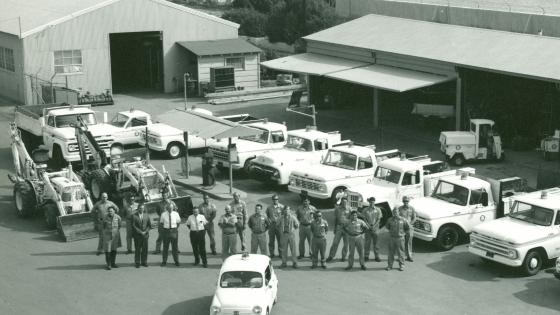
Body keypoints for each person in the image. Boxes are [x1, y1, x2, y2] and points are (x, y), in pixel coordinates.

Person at [326, 195, 351, 262]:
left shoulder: (350, 209)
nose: (344, 203)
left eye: (345, 202)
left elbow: (352, 219)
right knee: (335, 243)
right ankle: (331, 256)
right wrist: (335, 228)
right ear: (341, 202)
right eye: (343, 202)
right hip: (339, 227)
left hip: (347, 229)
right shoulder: (337, 209)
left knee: (346, 244)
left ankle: (344, 257)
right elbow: (336, 219)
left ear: (347, 202)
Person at [159, 199, 182, 267]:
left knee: (174, 247)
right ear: (167, 208)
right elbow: (161, 223)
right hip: (166, 231)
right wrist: (165, 230)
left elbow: (178, 222)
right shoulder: (163, 214)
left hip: (174, 231)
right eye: (169, 208)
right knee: (165, 247)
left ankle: (176, 261)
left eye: (171, 208)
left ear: (173, 208)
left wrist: (174, 229)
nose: (170, 209)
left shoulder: (176, 214)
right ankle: (164, 261)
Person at [360, 197, 383, 262]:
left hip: (375, 229)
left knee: (376, 243)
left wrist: (374, 226)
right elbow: (364, 219)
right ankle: (366, 256)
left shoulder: (378, 209)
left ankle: (377, 256)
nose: (371, 203)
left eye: (373, 202)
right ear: (369, 202)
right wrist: (368, 226)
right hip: (368, 229)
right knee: (367, 243)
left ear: (374, 202)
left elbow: (379, 219)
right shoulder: (365, 210)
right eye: (370, 202)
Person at [397, 196, 417, 262]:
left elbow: (414, 218)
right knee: (401, 242)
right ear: (403, 201)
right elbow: (397, 217)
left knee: (409, 242)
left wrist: (410, 224)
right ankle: (401, 256)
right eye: (405, 201)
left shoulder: (412, 208)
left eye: (407, 201)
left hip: (409, 227)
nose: (406, 202)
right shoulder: (400, 208)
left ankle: (409, 256)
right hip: (401, 227)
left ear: (409, 201)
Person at [101, 206, 122, 270]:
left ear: (114, 211)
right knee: (108, 251)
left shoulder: (118, 217)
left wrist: (115, 232)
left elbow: (119, 225)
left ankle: (113, 263)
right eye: (109, 211)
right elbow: (103, 226)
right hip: (107, 237)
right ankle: (108, 264)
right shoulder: (105, 217)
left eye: (111, 211)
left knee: (114, 250)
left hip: (115, 237)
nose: (110, 212)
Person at [132, 203, 152, 268]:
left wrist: (145, 231)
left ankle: (144, 262)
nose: (141, 209)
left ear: (144, 209)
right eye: (140, 208)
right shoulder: (134, 216)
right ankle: (137, 262)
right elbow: (133, 225)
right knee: (137, 249)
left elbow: (149, 225)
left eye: (143, 208)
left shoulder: (146, 215)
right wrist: (140, 232)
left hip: (145, 235)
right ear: (138, 209)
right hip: (137, 235)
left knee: (145, 249)